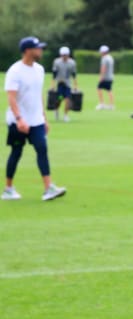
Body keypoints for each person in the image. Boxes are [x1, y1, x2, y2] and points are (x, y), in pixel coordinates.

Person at [3, 37, 66, 201]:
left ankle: (48, 188)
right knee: (16, 153)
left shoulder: (39, 69)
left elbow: (38, 95)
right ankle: (8, 188)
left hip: (36, 120)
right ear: (27, 51)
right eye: (37, 48)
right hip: (18, 121)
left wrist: (44, 118)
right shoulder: (15, 71)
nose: (41, 51)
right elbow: (11, 97)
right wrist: (19, 119)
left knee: (42, 149)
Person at [51, 46, 78, 122]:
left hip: (68, 85)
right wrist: (53, 85)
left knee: (68, 99)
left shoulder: (72, 63)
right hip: (60, 84)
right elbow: (54, 74)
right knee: (59, 99)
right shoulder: (57, 62)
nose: (64, 56)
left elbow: (74, 75)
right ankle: (56, 110)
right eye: (63, 55)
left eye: (66, 55)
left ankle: (65, 115)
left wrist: (75, 85)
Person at [96, 45, 114, 110]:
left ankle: (102, 103)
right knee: (109, 90)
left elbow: (103, 68)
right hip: (110, 77)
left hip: (105, 77)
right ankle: (111, 105)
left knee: (99, 88)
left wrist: (101, 77)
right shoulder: (110, 57)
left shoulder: (104, 58)